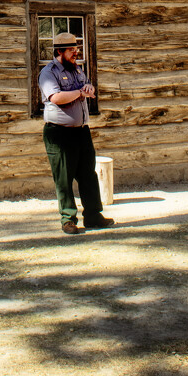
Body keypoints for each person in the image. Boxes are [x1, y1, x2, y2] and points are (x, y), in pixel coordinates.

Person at [38, 31, 115, 235]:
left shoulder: (77, 70)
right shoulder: (48, 72)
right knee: (64, 177)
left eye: (76, 49)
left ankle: (93, 216)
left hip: (81, 131)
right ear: (59, 51)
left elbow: (86, 88)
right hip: (59, 133)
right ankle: (68, 219)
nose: (75, 53)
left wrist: (88, 87)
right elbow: (56, 97)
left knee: (87, 174)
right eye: (71, 50)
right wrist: (80, 92)